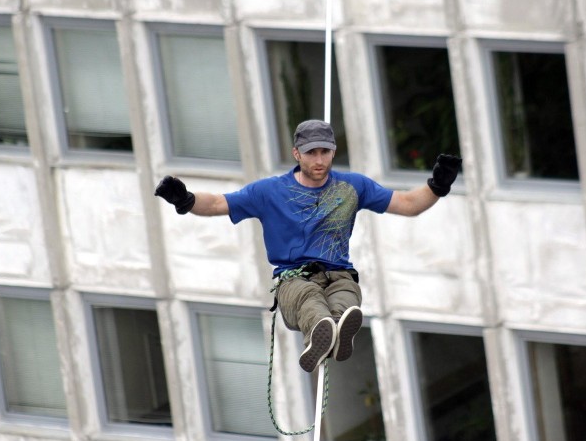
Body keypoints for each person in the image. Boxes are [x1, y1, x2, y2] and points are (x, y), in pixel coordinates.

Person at [154, 119, 461, 372]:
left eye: (324, 152)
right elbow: (219, 203)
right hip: (293, 279)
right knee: (310, 301)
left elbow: (408, 204)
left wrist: (438, 186)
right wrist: (187, 199)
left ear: (333, 151)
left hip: (339, 273)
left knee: (346, 302)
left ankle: (339, 334)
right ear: (296, 154)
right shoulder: (269, 191)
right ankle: (320, 334)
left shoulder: (352, 187)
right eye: (311, 152)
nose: (318, 160)